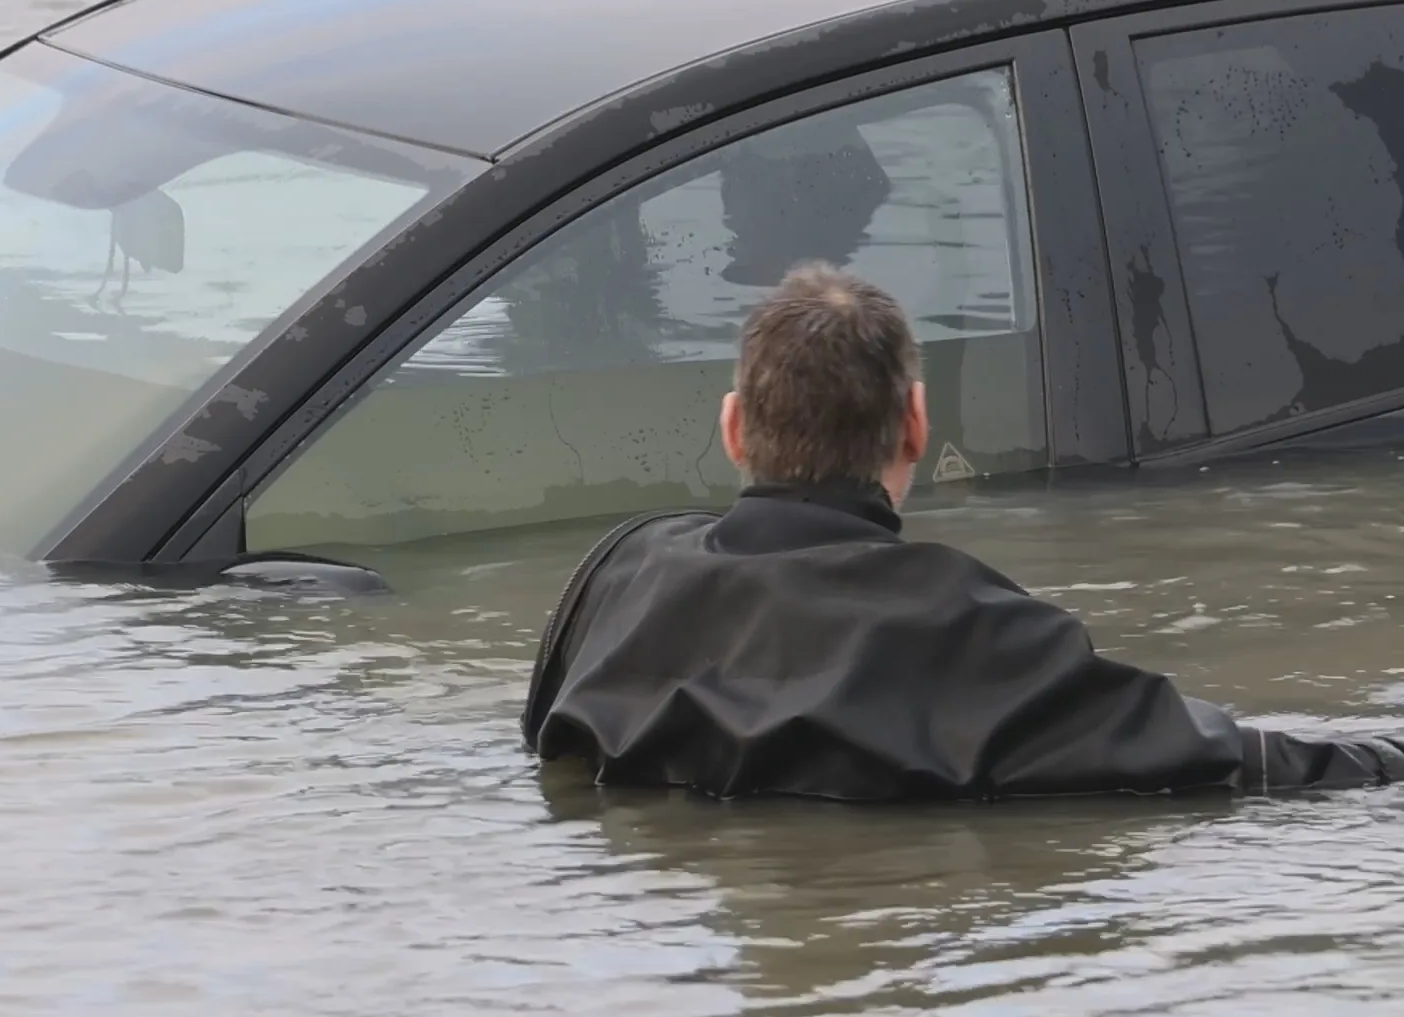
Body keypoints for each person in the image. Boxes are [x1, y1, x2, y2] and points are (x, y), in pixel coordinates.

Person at [522, 262, 1404, 801]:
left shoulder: (620, 581)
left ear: (731, 429)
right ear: (916, 425)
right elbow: (1235, 763)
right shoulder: (977, 631)